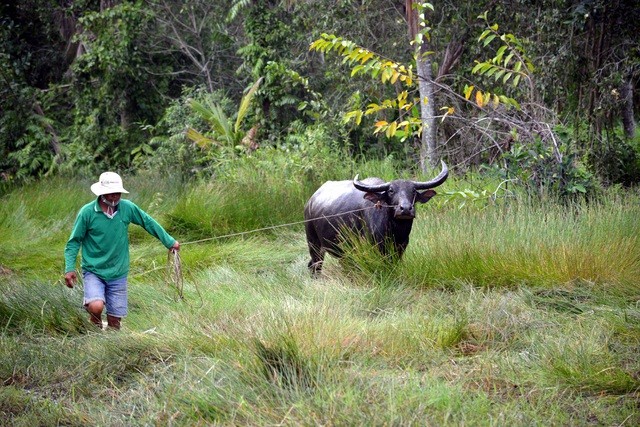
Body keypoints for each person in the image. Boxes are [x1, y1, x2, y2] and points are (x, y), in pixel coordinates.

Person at [64, 171, 180, 330]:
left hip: (118, 271)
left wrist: (170, 242)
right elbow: (74, 242)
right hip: (93, 270)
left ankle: (110, 339)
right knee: (96, 306)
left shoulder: (127, 208)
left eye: (117, 193)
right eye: (110, 194)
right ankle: (95, 323)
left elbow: (148, 222)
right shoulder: (87, 212)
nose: (114, 197)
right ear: (102, 193)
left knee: (114, 323)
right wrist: (69, 268)